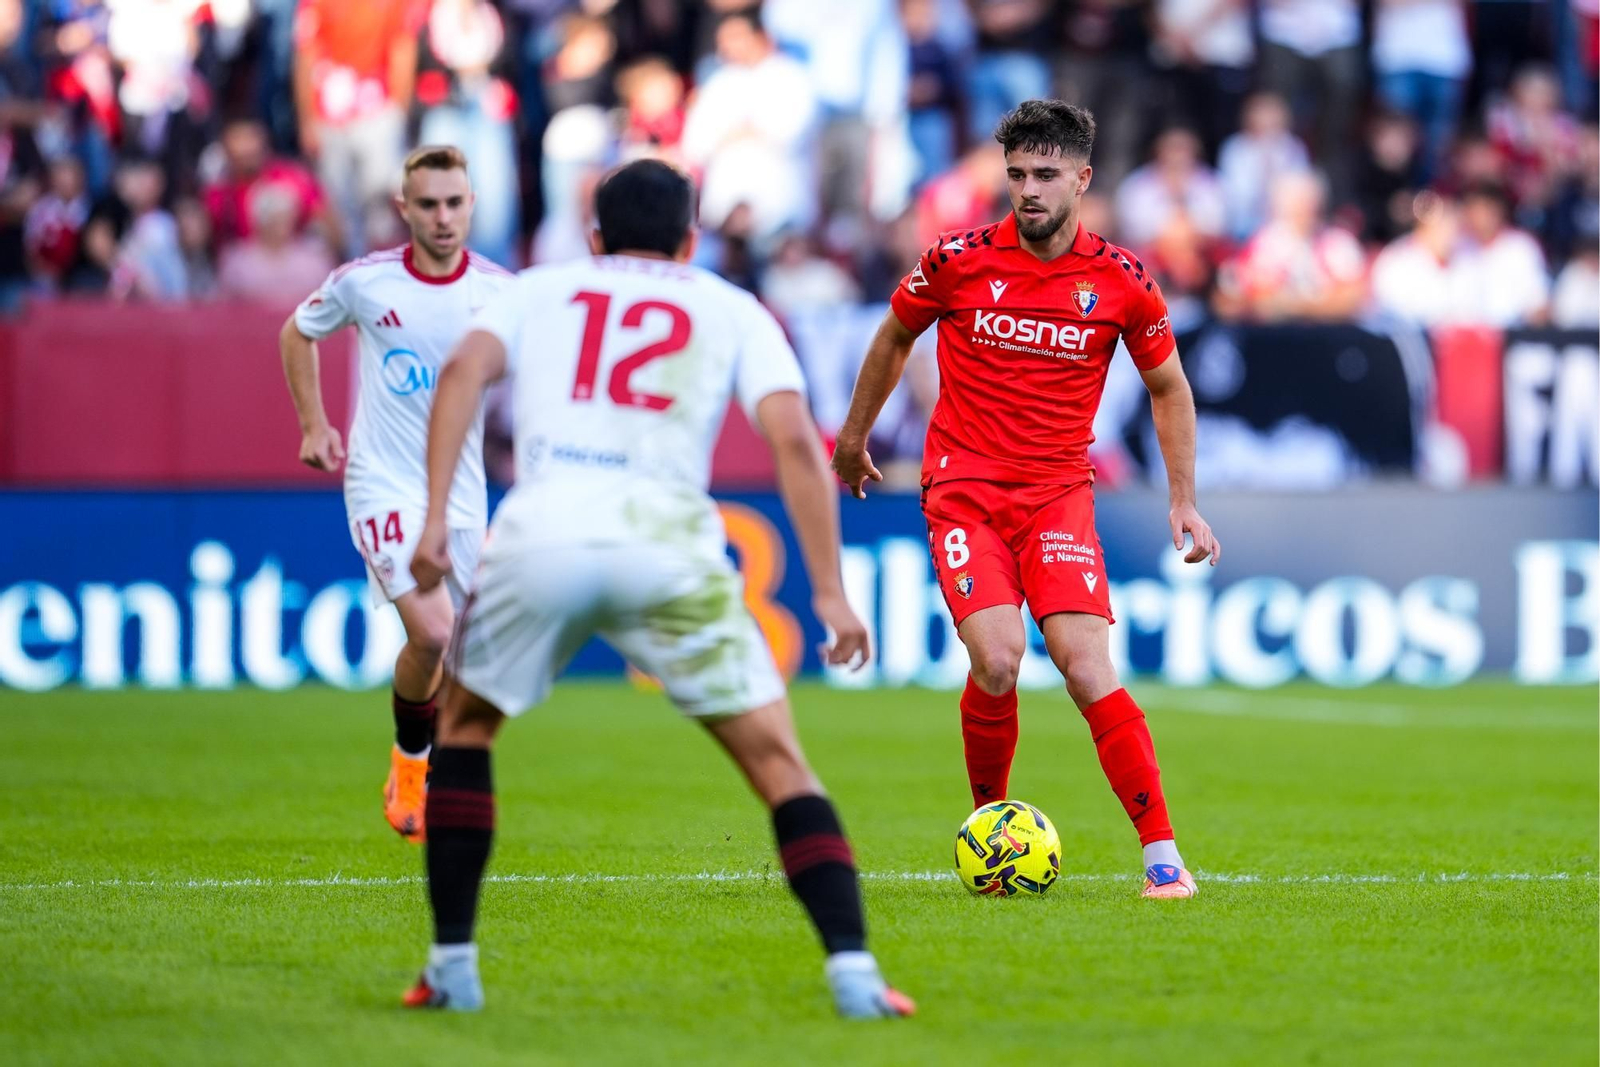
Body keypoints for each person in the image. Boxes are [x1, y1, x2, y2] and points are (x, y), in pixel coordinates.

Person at [402, 158, 913, 1018]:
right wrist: (828, 589)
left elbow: (460, 377)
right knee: (779, 764)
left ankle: (452, 965)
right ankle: (856, 976)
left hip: (545, 531)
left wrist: (429, 525)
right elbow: (795, 441)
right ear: (692, 238)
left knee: (465, 727)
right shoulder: (732, 306)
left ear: (594, 236)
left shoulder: (540, 288)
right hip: (670, 543)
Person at [830, 100, 1219, 900]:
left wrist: (1184, 499)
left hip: (1057, 495)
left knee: (1086, 666)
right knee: (1000, 659)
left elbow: (1169, 388)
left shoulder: (1120, 281)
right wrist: (852, 435)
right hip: (965, 488)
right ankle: (992, 830)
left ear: (1082, 177)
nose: (1029, 190)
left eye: (1046, 175)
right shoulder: (957, 259)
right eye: (1016, 175)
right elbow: (895, 336)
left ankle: (1162, 856)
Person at [278, 146, 514, 843]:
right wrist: (315, 423)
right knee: (433, 629)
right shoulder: (366, 283)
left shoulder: (503, 293)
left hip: (463, 495)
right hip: (382, 482)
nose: (442, 218)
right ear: (403, 208)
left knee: (460, 653)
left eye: (454, 202)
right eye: (429, 204)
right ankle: (414, 764)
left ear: (471, 204)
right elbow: (297, 331)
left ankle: (422, 760)